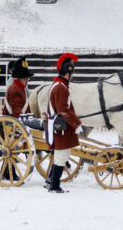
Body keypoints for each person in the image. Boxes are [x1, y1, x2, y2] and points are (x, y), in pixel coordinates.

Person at [45, 52, 83, 193]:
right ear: (68, 72)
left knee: (62, 155)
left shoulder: (59, 85)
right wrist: (76, 123)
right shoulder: (61, 87)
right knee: (61, 156)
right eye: (71, 73)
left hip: (59, 126)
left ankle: (51, 182)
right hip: (60, 127)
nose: (72, 76)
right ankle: (54, 186)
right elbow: (63, 110)